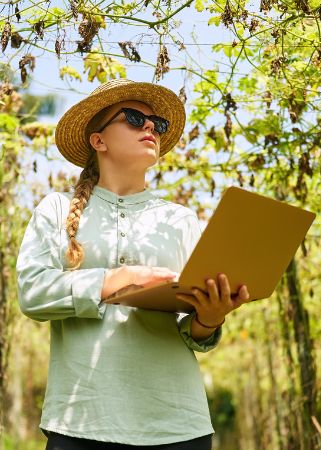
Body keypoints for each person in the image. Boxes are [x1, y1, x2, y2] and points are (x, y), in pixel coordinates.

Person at [16, 79, 252, 450]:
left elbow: (193, 331)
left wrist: (209, 319)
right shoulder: (56, 210)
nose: (149, 128)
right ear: (99, 140)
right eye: (133, 118)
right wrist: (115, 279)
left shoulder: (181, 220)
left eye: (157, 125)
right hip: (81, 420)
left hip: (177, 423)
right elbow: (32, 294)